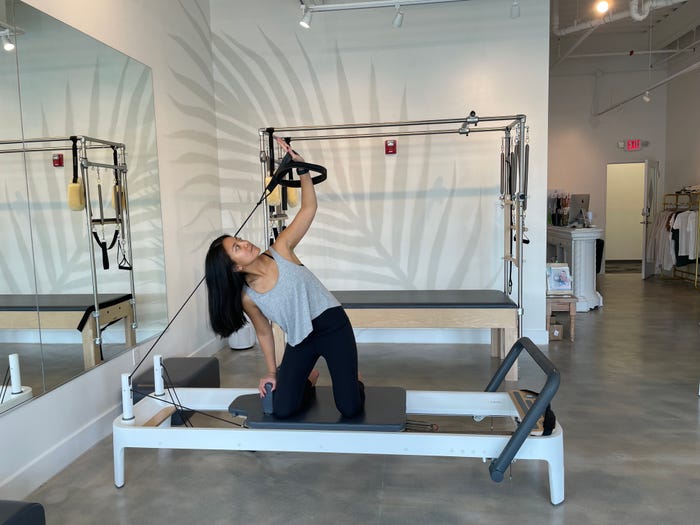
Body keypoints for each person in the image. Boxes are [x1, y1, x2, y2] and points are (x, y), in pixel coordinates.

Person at [205, 139, 365, 419]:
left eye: (240, 240)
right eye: (237, 248)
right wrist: (271, 372)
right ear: (234, 268)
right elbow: (264, 332)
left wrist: (302, 169)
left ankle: (353, 379)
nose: (245, 244)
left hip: (332, 326)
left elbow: (308, 210)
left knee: (350, 407)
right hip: (300, 340)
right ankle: (308, 378)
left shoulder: (281, 249)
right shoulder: (248, 298)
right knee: (282, 408)